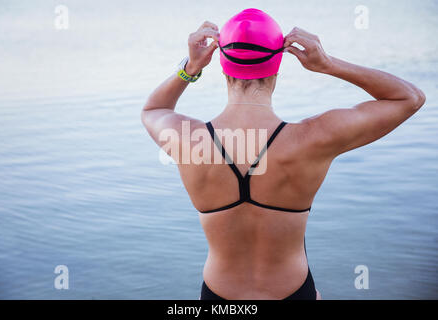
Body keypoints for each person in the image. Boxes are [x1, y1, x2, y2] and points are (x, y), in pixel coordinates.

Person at [141, 8, 425, 300]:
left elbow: (153, 110)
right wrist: (328, 64)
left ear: (224, 68)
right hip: (292, 291)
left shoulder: (189, 140)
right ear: (276, 69)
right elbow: (409, 98)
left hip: (218, 295)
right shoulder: (313, 138)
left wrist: (189, 67)